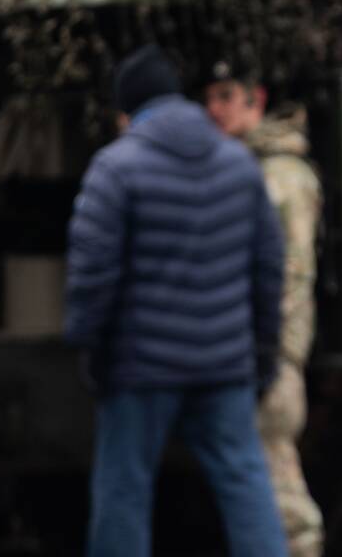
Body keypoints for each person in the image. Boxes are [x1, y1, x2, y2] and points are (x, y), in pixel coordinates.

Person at [64, 44, 289, 557]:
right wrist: (262, 351)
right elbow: (268, 267)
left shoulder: (115, 168)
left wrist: (86, 343)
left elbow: (92, 269)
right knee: (245, 481)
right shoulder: (238, 165)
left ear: (128, 111)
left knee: (124, 488)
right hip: (224, 364)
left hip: (140, 368)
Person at [205, 62, 324, 557]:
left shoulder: (281, 176)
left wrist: (269, 343)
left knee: (277, 477)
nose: (216, 109)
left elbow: (293, 270)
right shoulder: (250, 167)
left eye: (227, 96)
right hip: (257, 343)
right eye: (211, 97)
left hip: (271, 346)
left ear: (257, 98)